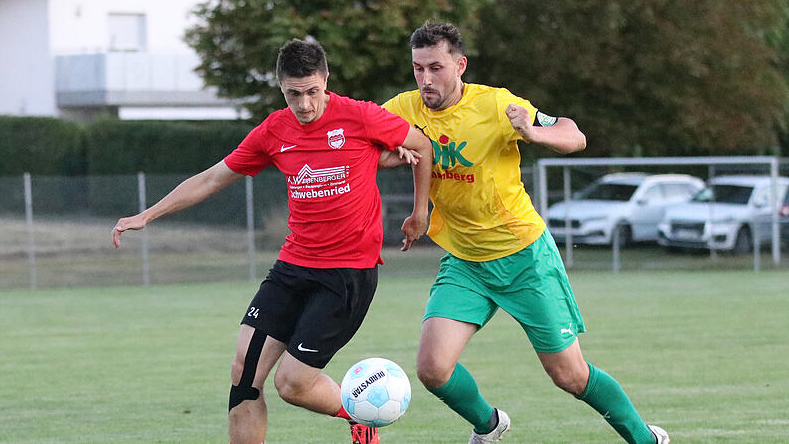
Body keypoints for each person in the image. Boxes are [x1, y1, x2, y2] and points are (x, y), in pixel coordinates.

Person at [112, 38, 432, 444]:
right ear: (281, 88)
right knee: (244, 373)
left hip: (346, 276)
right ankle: (355, 419)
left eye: (312, 92)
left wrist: (419, 214)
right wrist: (147, 215)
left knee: (292, 384)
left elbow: (422, 144)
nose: (304, 104)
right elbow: (212, 178)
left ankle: (359, 417)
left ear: (326, 82)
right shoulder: (273, 130)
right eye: (293, 94)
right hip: (292, 268)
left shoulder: (360, 117)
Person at [382, 22, 670, 444]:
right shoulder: (404, 108)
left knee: (570, 376)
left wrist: (534, 132)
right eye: (418, 68)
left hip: (524, 258)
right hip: (465, 263)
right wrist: (387, 156)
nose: (426, 79)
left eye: (436, 68)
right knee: (432, 369)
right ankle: (489, 424)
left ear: (460, 65)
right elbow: (359, 139)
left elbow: (575, 136)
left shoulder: (497, 105)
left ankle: (646, 439)